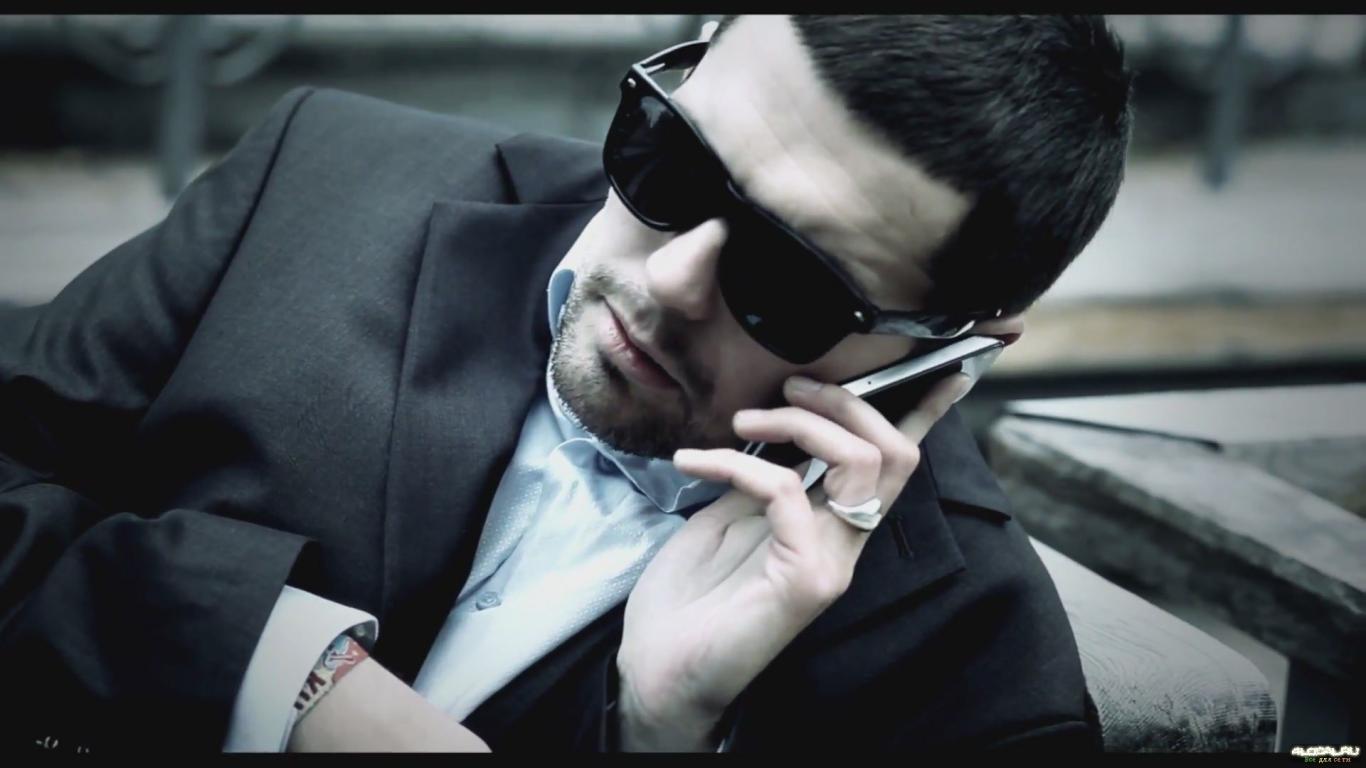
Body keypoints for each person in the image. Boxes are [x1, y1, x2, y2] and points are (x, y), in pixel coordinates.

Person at [0, 14, 1132, 753]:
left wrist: (653, 734)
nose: (671, 277)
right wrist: (290, 675)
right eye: (671, 158)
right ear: (693, 54)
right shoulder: (319, 174)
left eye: (788, 283)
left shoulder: (972, 666)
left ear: (952, 350)